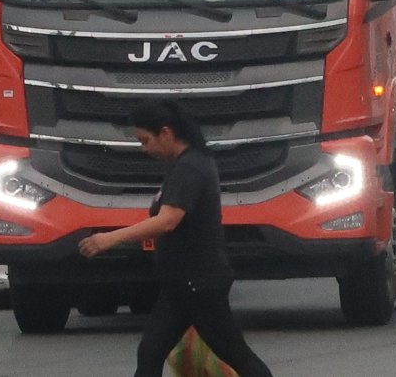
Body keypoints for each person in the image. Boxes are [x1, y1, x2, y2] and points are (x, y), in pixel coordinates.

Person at [78, 100, 273, 377]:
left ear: (166, 133)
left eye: (145, 140)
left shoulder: (190, 168)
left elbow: (168, 220)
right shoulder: (186, 165)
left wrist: (110, 239)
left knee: (237, 355)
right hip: (181, 283)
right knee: (150, 351)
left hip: (199, 282)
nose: (144, 149)